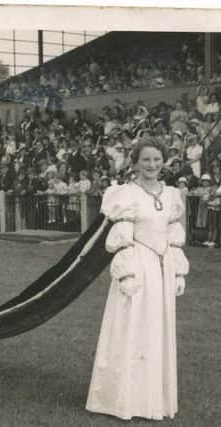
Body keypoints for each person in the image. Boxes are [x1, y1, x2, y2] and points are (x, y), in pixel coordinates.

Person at [86, 137, 189, 420]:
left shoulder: (170, 196)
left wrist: (178, 270)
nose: (152, 165)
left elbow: (174, 236)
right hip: (138, 266)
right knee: (131, 329)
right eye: (146, 159)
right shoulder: (126, 194)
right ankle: (123, 401)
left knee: (156, 331)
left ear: (164, 161)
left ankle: (153, 400)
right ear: (135, 162)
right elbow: (121, 239)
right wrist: (127, 274)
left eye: (157, 159)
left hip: (163, 268)